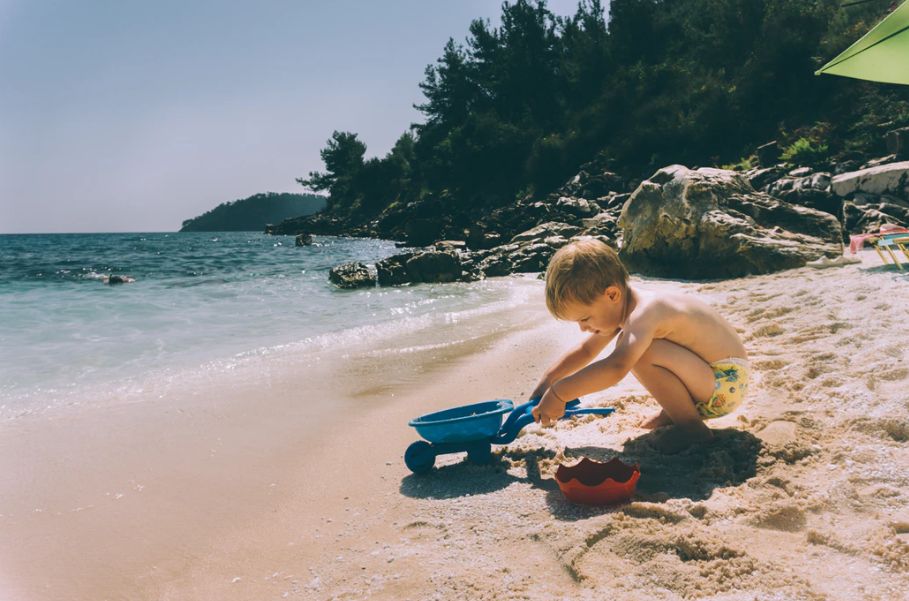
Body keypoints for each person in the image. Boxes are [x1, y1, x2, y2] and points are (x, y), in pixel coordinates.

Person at [530, 238, 748, 453]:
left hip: (726, 382)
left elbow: (617, 367)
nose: (582, 328)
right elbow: (586, 351)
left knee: (640, 353)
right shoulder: (621, 309)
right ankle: (673, 413)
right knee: (637, 347)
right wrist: (548, 381)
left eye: (585, 318)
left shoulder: (645, 313)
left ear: (612, 294)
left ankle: (692, 429)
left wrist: (561, 393)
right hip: (711, 380)